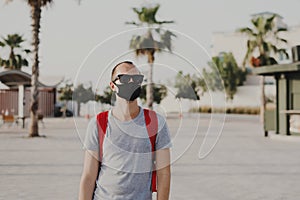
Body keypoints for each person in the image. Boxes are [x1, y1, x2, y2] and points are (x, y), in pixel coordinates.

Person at [79, 61, 172, 200]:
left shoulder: (156, 123)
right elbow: (88, 176)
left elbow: (164, 174)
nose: (131, 82)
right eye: (124, 78)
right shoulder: (98, 124)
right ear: (112, 86)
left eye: (136, 79)